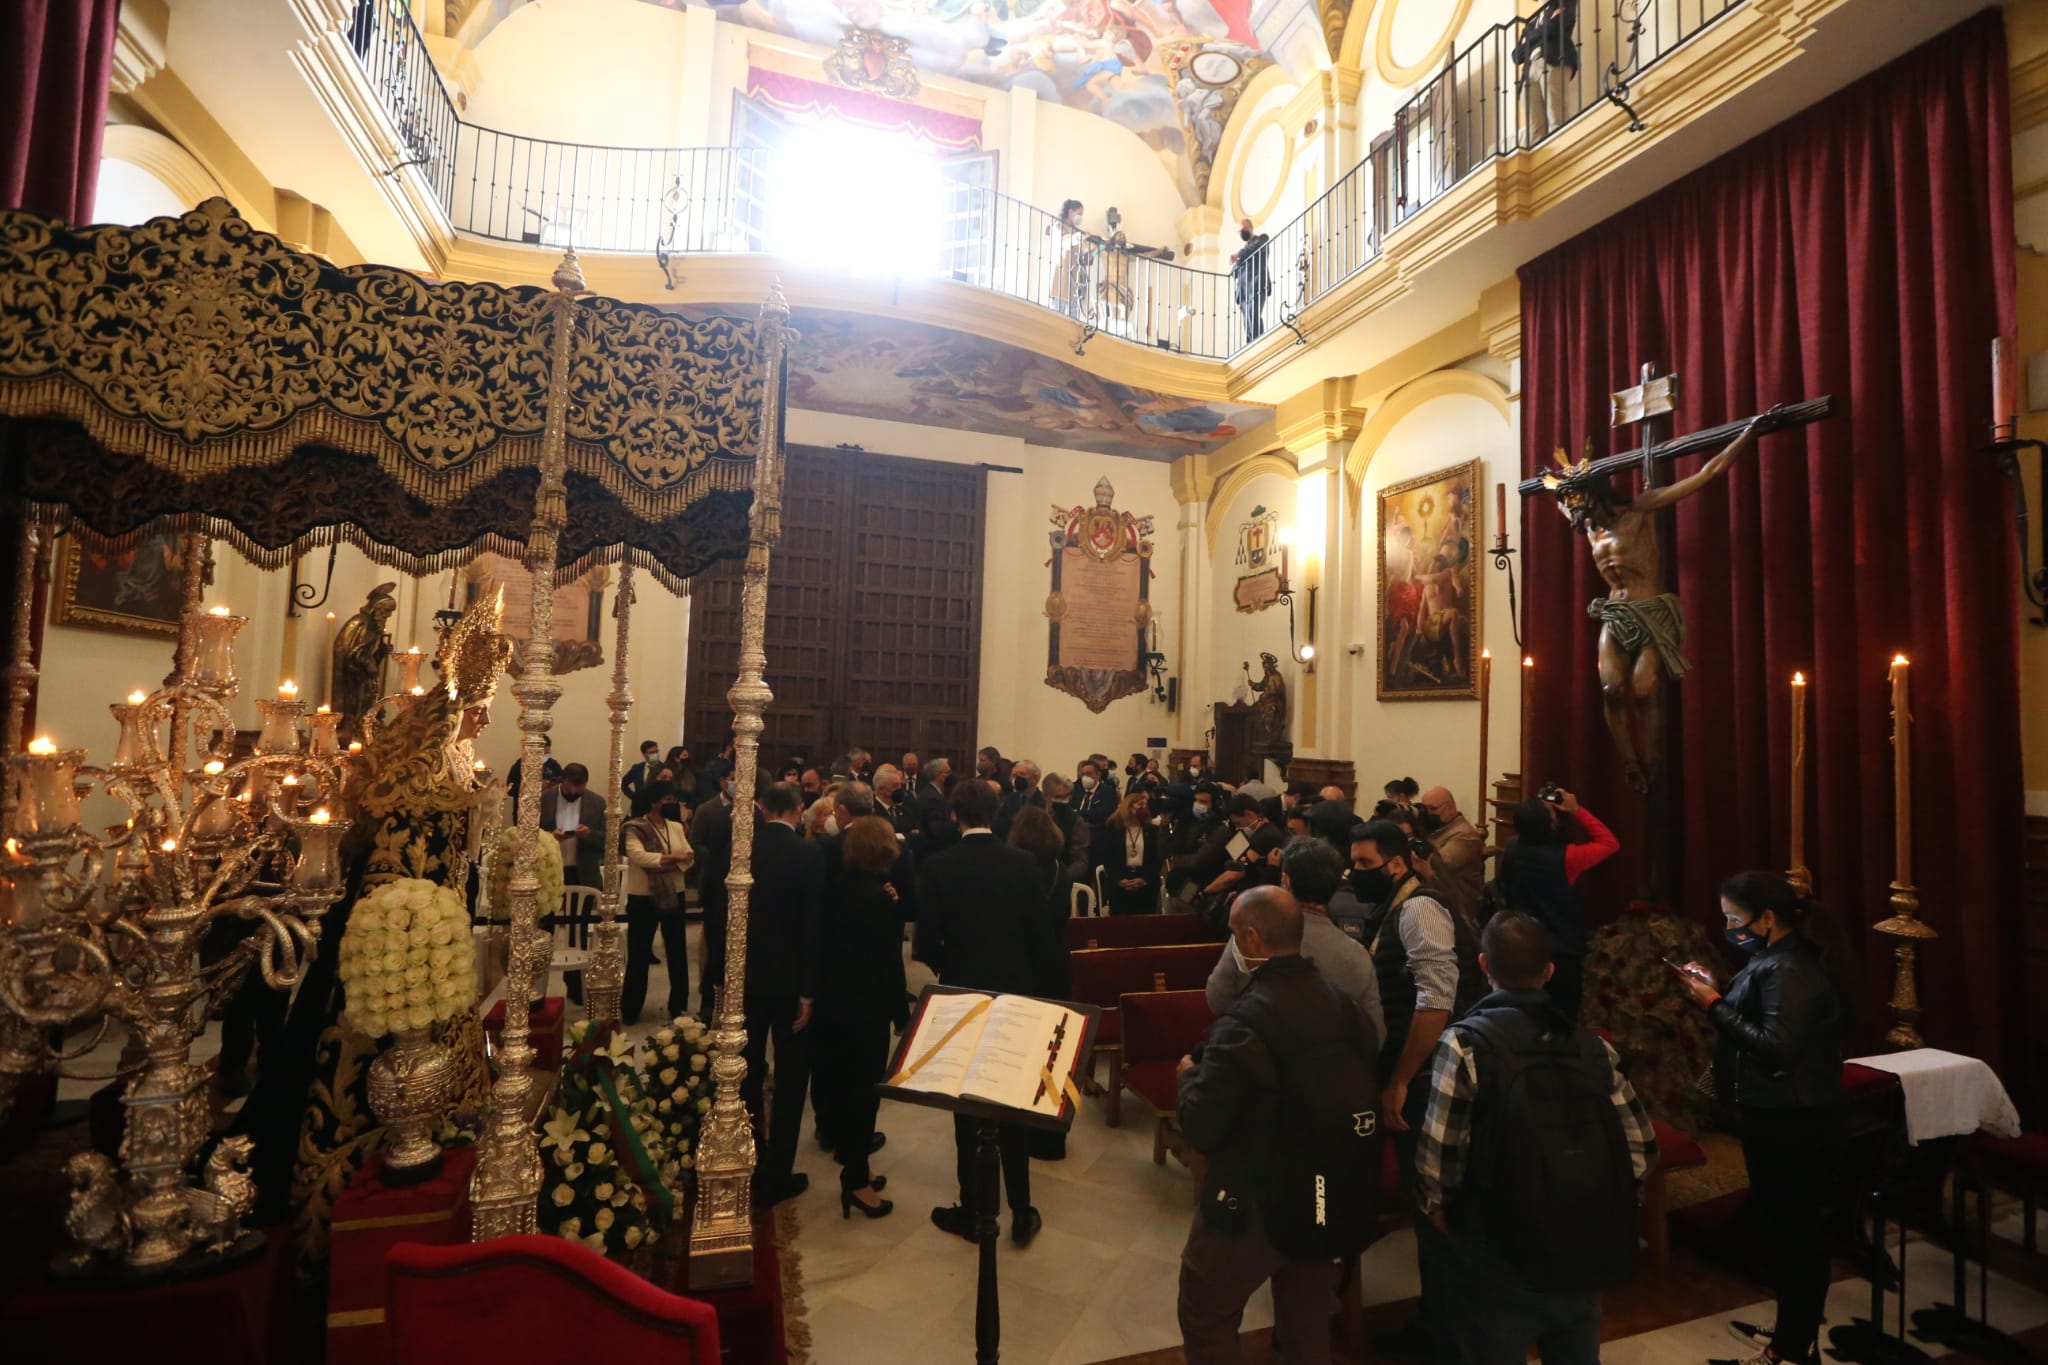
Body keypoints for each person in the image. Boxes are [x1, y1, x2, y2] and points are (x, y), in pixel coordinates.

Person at [1417, 912, 1659, 1365]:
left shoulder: (1465, 1044)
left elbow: (1441, 1149)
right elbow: (1642, 1147)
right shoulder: (1591, 1046)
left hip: (1499, 1243)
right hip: (1582, 1239)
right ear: (1550, 970)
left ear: (1484, 965)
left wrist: (1438, 1207)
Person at [1176, 886, 1381, 1364]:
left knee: (1206, 1310)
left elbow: (1203, 1125)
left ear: (1251, 939)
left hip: (1256, 1199)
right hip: (1327, 1189)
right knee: (1307, 1314)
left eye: (1232, 934)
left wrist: (1187, 1079)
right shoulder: (1347, 1010)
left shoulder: (1244, 1023)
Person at [1678, 872, 1851, 1365]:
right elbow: (1763, 1017)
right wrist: (1716, 990)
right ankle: (1794, 1328)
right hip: (1779, 1115)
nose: (1730, 927)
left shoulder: (1789, 970)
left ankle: (1792, 1349)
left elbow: (1776, 1047)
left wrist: (1710, 1003)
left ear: (1768, 918)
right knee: (1786, 1231)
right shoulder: (1775, 960)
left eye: (1735, 918)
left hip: (1793, 1120)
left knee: (1796, 1236)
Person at [914, 779, 1061, 1246]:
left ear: (956, 815)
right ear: (996, 813)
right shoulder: (1022, 864)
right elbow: (1041, 939)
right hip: (1015, 993)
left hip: (963, 994)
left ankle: (975, 1210)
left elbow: (924, 944)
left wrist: (956, 968)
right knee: (1012, 1101)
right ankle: (1020, 1209)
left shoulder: (939, 865)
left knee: (967, 1105)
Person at [1351, 816, 1473, 1365]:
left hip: (1427, 1077)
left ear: (1397, 863)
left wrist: (1401, 1078)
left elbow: (1436, 1001)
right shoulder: (1395, 903)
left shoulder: (1419, 908)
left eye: (1365, 865)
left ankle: (1444, 1335)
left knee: (1436, 1207)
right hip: (1415, 1071)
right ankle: (1441, 1322)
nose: (1356, 874)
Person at [813, 815, 907, 1221]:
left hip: (832, 1002)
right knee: (864, 1094)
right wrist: (901, 1013)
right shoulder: (879, 899)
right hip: (866, 1007)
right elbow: (888, 963)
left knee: (840, 1084)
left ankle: (858, 1166)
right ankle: (856, 1183)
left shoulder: (834, 889)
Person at [1209, 838, 1384, 1048]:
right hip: (1332, 1073)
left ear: (1286, 881)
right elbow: (1376, 1035)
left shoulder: (1253, 936)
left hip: (1257, 1062)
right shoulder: (1357, 955)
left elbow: (1217, 998)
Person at [742, 782, 825, 1206]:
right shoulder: (809, 855)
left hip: (746, 977)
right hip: (791, 981)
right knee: (792, 1076)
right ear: (798, 809)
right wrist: (809, 991)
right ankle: (779, 1172)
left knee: (748, 1067)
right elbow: (812, 927)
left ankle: (747, 1154)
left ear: (762, 808)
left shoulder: (741, 849)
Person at [1496, 787, 1619, 1025]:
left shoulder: (1511, 849)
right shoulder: (1568, 858)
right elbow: (1609, 843)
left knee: (1522, 1020)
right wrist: (1576, 810)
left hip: (1523, 944)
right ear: (1551, 825)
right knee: (1561, 1022)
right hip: (1563, 951)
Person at [621, 781, 692, 1024]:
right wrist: (673, 859)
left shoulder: (676, 827)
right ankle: (631, 1008)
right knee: (639, 953)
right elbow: (640, 856)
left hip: (675, 891)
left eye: (672, 799)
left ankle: (678, 1005)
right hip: (643, 896)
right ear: (653, 802)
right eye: (666, 799)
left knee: (677, 950)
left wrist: (667, 861)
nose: (671, 803)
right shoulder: (634, 827)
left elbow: (689, 856)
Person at [692, 770, 734, 1018]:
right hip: (714, 881)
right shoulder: (709, 809)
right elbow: (696, 840)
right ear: (723, 780)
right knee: (714, 950)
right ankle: (709, 1003)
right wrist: (717, 860)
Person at [1417, 784, 1487, 928]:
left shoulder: (1464, 836)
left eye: (1433, 809)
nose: (1428, 814)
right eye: (1425, 809)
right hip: (1437, 906)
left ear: (1450, 806)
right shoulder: (1437, 829)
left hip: (1459, 914)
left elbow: (1436, 866)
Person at [1513, 0, 1580, 143]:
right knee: (1534, 127)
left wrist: (1530, 40)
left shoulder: (1564, 2)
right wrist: (1545, 28)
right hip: (1530, 69)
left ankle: (1560, 151)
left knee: (1556, 116)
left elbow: (1557, 26)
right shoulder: (1531, 23)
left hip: (1553, 59)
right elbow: (1516, 55)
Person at [1095, 789, 1162, 915]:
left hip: (1145, 886)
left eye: (1145, 805)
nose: (1144, 808)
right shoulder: (1113, 829)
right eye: (1140, 805)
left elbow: (1156, 858)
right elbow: (1107, 858)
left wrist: (1144, 879)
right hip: (1120, 884)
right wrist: (1119, 880)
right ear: (1129, 807)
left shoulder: (1152, 831)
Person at [540, 762, 604, 888]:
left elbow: (609, 839)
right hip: (550, 871)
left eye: (578, 790)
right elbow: (529, 834)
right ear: (562, 781)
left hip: (584, 873)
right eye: (569, 790)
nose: (573, 793)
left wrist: (589, 834)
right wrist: (550, 837)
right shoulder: (543, 799)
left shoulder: (597, 803)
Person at [1230, 216, 1271, 346]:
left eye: (1243, 229)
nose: (1242, 233)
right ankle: (1250, 346)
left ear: (1250, 228)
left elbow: (1253, 248)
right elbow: (1235, 271)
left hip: (1257, 285)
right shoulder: (1243, 253)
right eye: (1239, 231)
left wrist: (1239, 255)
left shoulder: (1261, 239)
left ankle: (1258, 345)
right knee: (1247, 323)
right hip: (1243, 293)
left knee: (1253, 316)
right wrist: (1238, 260)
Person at [506, 733, 562, 804]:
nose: (544, 756)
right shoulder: (520, 765)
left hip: (546, 808)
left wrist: (549, 785)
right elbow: (510, 789)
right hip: (524, 808)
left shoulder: (553, 765)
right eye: (541, 752)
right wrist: (536, 787)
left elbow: (562, 786)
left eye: (546, 753)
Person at [622, 739, 661, 813]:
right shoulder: (637, 768)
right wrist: (633, 796)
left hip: (657, 810)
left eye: (656, 751)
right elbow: (623, 783)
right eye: (651, 752)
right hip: (639, 809)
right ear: (644, 754)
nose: (655, 755)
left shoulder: (664, 768)